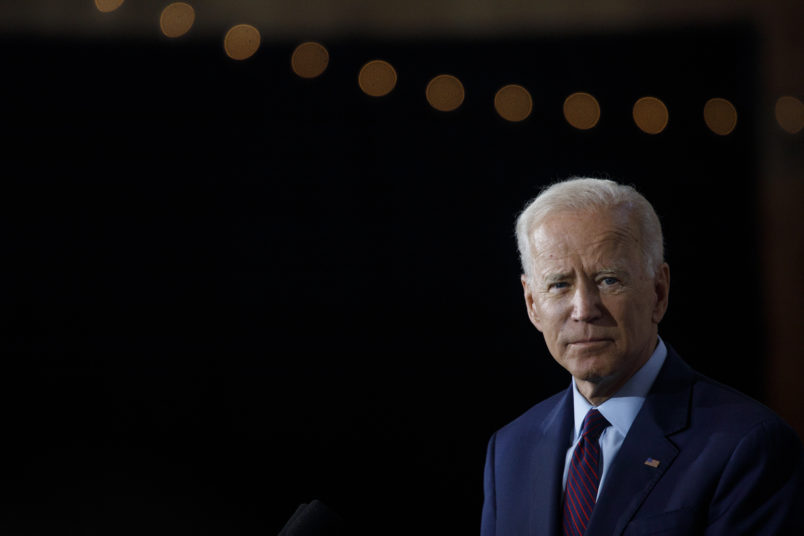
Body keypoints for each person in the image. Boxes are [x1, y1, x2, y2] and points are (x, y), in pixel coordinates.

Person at [481, 177, 804, 536]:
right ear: (532, 304)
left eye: (608, 280)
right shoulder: (509, 451)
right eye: (559, 284)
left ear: (658, 292)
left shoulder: (748, 447)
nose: (584, 309)